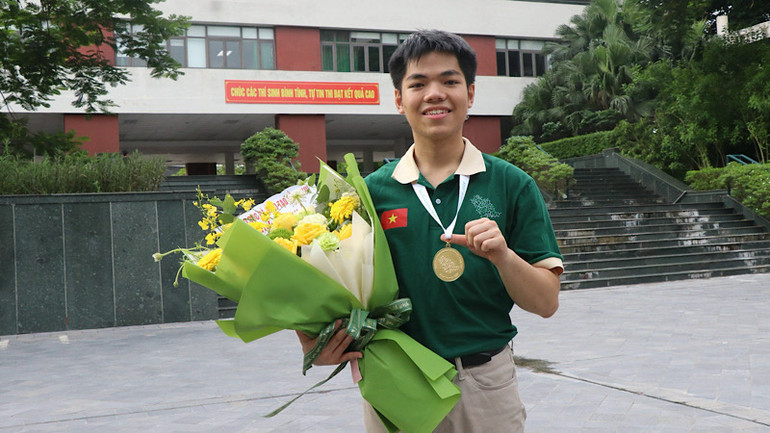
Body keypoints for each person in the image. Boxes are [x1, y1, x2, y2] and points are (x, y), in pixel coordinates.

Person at [297, 29, 563, 433]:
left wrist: (503, 256)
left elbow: (546, 302)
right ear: (399, 99)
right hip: (395, 381)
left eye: (449, 81)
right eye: (418, 84)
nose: (435, 94)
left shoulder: (512, 184)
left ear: (470, 94)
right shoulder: (369, 193)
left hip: (483, 383)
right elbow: (327, 285)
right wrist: (312, 341)